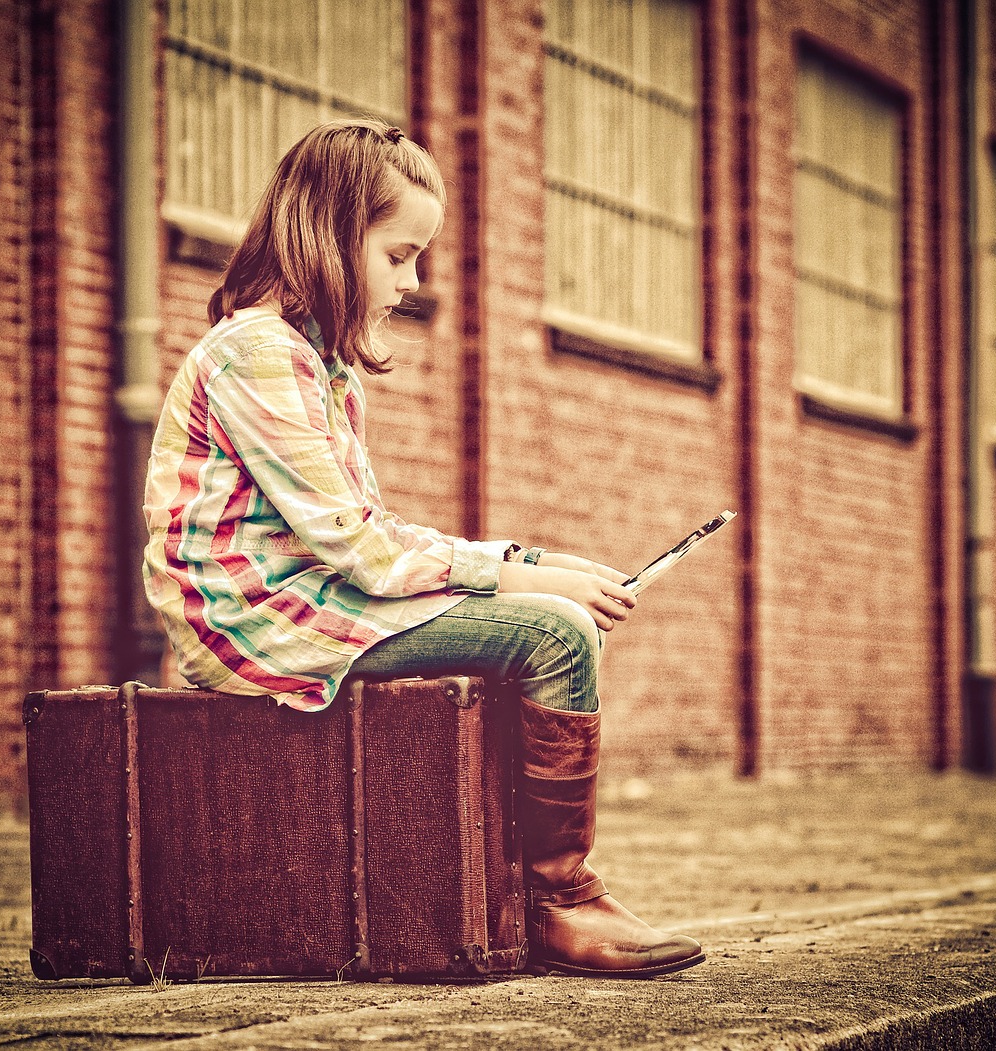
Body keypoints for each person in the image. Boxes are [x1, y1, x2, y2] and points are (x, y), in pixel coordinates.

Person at [142, 118, 705, 979]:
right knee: (554, 632)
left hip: (315, 606)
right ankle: (560, 901)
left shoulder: (320, 365)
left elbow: (367, 536)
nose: (414, 280)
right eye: (400, 255)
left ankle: (541, 893)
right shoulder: (256, 354)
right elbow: (361, 550)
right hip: (256, 625)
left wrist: (526, 564)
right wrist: (525, 574)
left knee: (550, 615)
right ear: (330, 236)